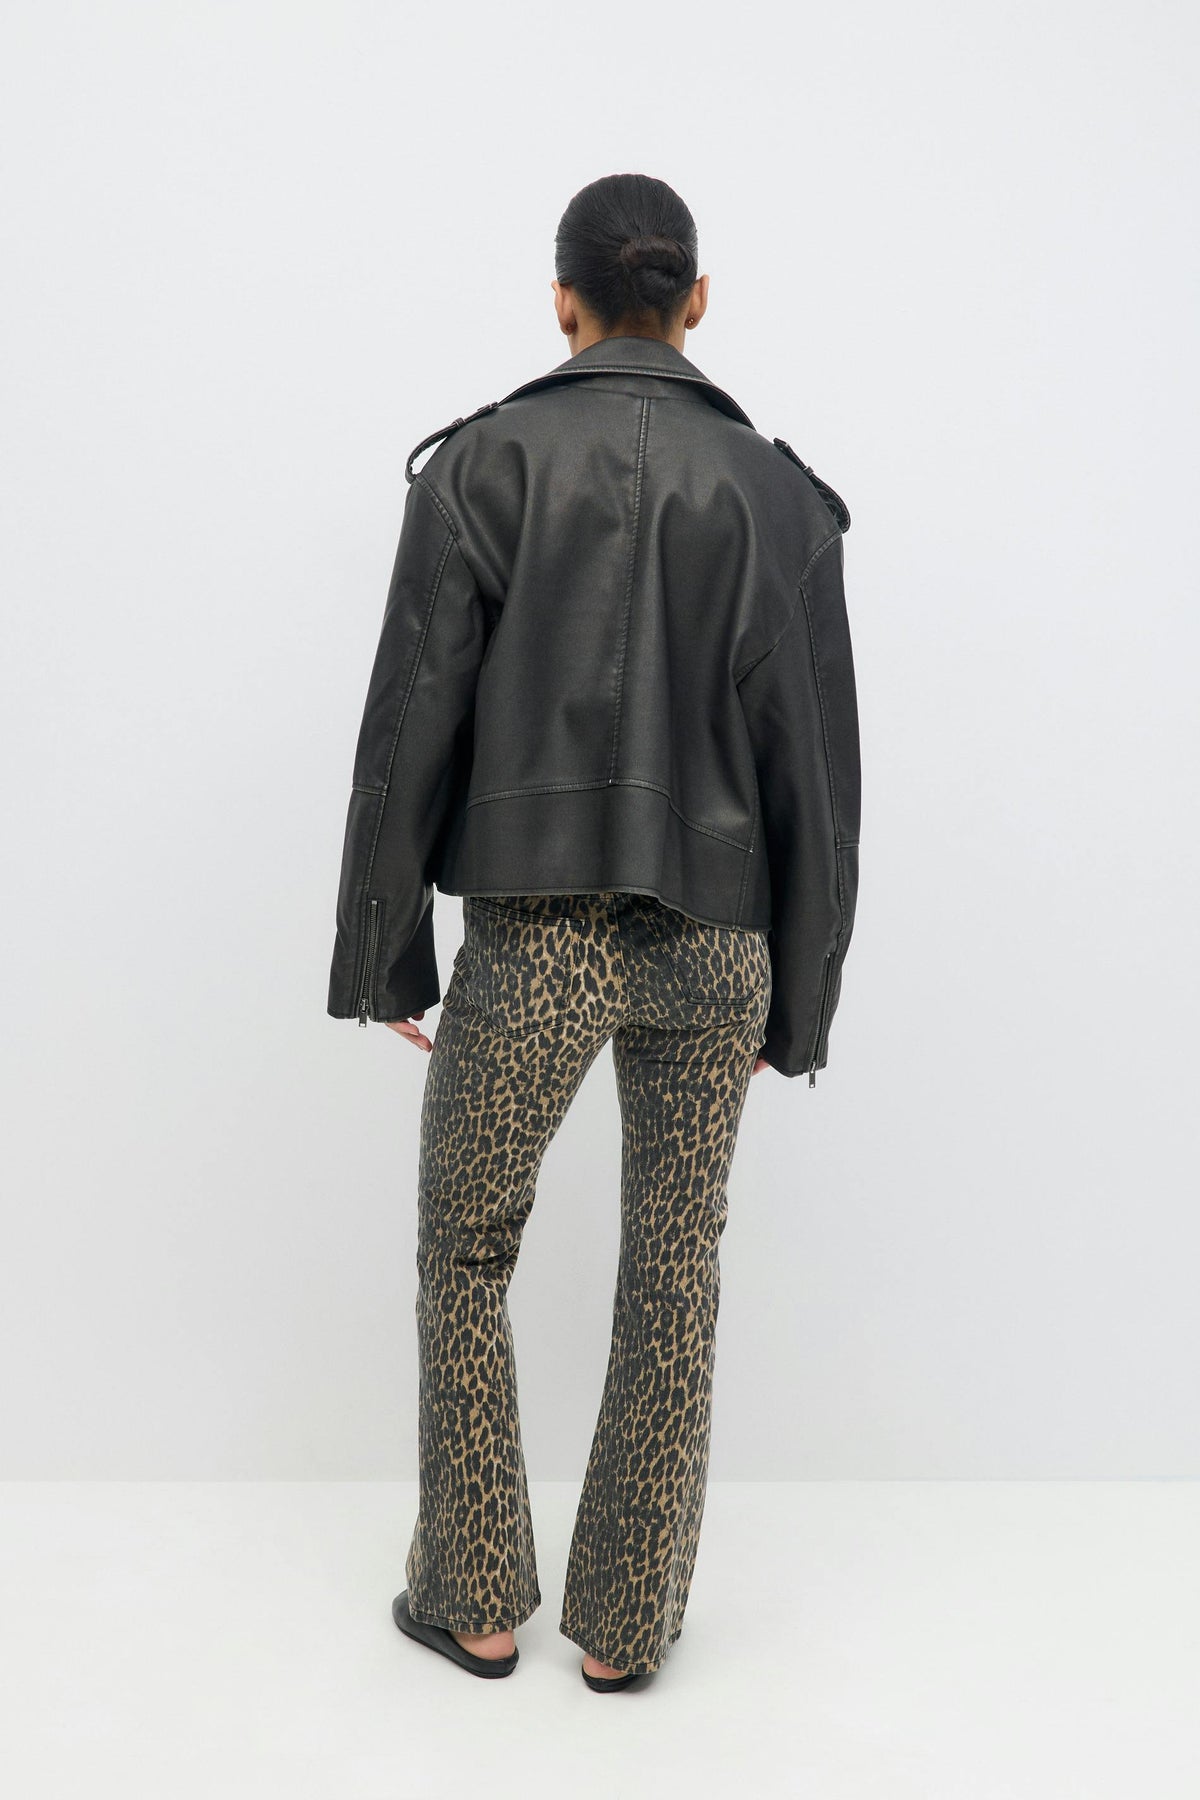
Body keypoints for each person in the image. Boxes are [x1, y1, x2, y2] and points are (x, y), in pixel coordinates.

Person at [327, 173, 862, 1690]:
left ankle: (474, 1595)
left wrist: (384, 950)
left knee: (466, 1246)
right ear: (697, 301)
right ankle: (624, 1633)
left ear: (561, 299)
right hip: (720, 941)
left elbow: (407, 729)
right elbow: (821, 778)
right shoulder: (778, 498)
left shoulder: (481, 467)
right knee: (675, 1271)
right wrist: (798, 1004)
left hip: (536, 934)